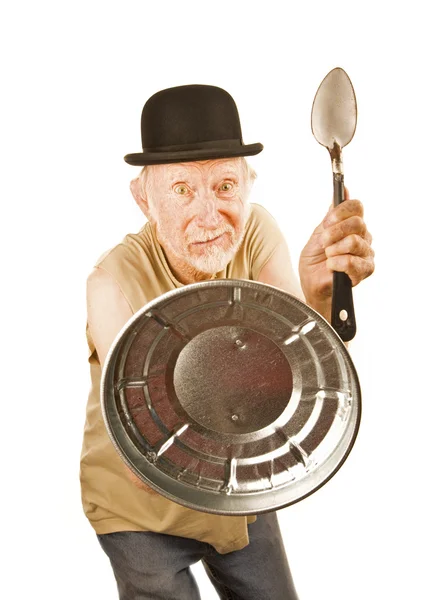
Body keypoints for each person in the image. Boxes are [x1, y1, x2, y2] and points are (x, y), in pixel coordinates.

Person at [80, 84, 374, 600]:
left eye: (223, 186)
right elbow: (150, 453)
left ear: (248, 183)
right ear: (142, 198)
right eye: (180, 191)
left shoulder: (256, 231)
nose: (209, 217)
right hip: (140, 508)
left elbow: (295, 376)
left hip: (238, 493)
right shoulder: (112, 283)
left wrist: (319, 297)